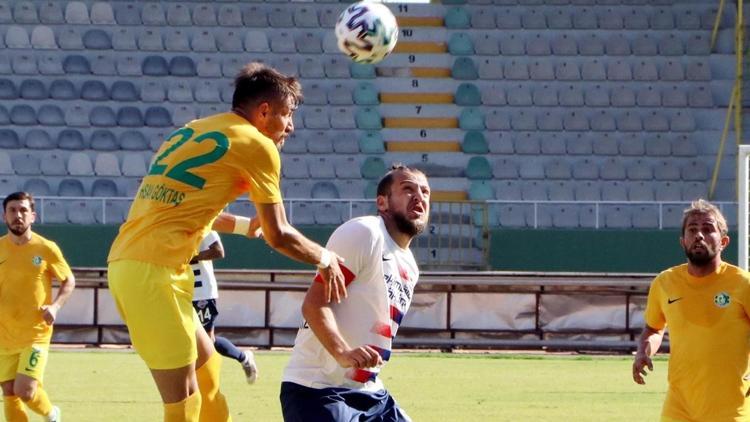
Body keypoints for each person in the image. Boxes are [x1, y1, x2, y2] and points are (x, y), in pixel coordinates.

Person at [107, 62, 347, 422]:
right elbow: (280, 234)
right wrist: (326, 258)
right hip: (151, 273)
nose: (291, 126)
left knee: (208, 371)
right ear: (264, 111)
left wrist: (244, 226)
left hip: (145, 265)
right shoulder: (258, 145)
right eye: (287, 114)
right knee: (183, 398)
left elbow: (180, 205)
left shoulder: (190, 131)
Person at [280, 165, 431, 422]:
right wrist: (342, 352)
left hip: (371, 394)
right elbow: (315, 304)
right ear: (382, 202)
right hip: (317, 390)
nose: (419, 197)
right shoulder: (365, 233)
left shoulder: (410, 266)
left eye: (425, 191)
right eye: (407, 189)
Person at [632, 199, 750, 421]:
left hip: (729, 407)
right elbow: (654, 329)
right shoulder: (665, 283)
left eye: (708, 229)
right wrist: (643, 352)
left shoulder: (742, 284)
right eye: (692, 230)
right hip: (680, 405)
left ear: (723, 241)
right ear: (682, 241)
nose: (699, 236)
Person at [0, 192, 75, 422]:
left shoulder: (46, 248)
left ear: (33, 216)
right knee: (10, 391)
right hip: (4, 334)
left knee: (25, 391)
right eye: (12, 210)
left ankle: (52, 415)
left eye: (23, 210)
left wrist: (55, 307)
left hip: (35, 334)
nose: (18, 215)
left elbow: (68, 280)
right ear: (5, 216)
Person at [190, 230, 258, 384]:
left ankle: (243, 357)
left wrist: (191, 257)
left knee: (207, 341)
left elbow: (219, 251)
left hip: (201, 292)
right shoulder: (171, 224)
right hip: (181, 290)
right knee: (185, 338)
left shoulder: (203, 224)